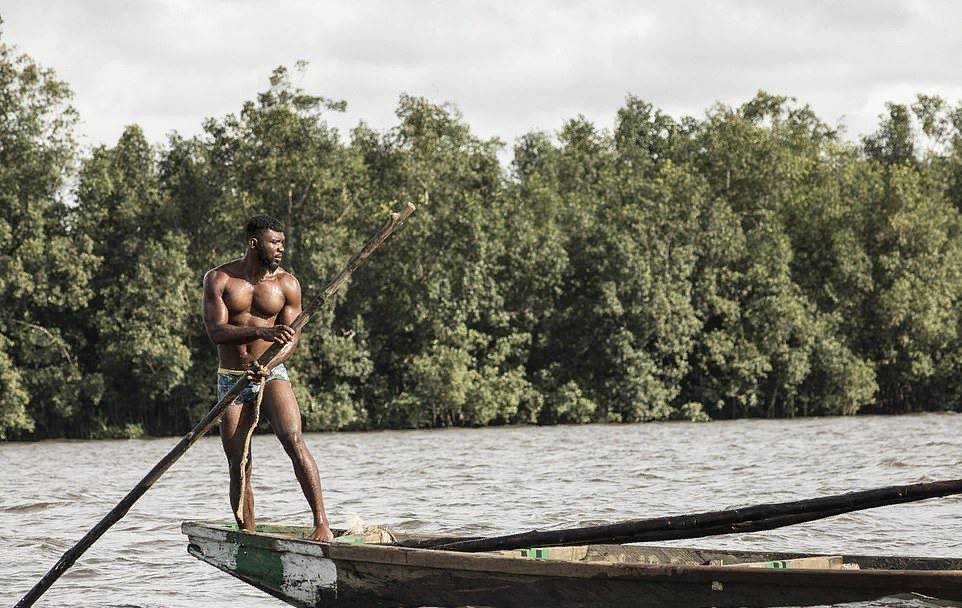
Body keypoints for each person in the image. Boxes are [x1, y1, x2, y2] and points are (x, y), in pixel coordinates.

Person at [202, 214, 333, 542]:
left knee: (293, 439)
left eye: (282, 243)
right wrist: (262, 330)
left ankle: (321, 524)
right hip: (232, 377)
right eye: (275, 243)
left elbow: (292, 337)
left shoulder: (287, 285)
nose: (281, 249)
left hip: (271, 372)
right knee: (239, 460)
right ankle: (247, 531)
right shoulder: (219, 279)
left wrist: (270, 360)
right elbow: (217, 332)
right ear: (253, 243)